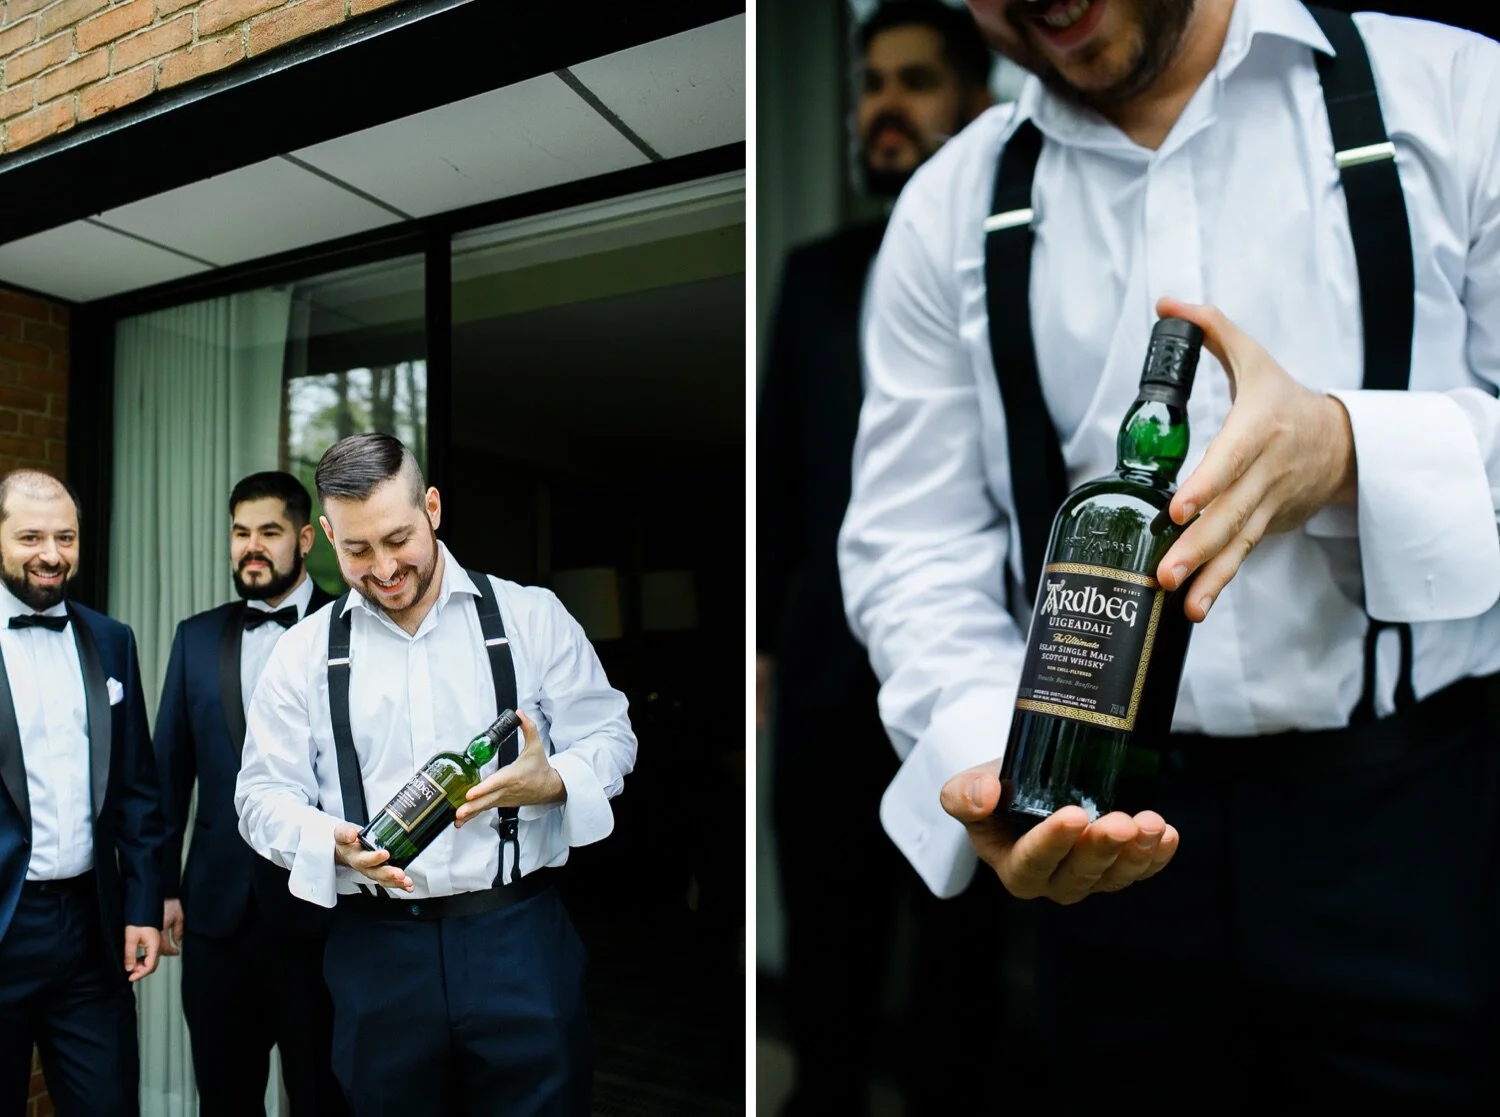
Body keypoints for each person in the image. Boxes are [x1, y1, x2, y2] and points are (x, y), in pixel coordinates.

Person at [838, 0, 1500, 1107]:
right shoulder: (948, 208)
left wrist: (1349, 450)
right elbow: (915, 543)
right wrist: (997, 775)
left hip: (1416, 830)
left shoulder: (1461, 98)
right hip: (1101, 866)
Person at [756, 3, 1008, 1113]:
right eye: (871, 84)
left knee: (965, 954)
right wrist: (763, 643)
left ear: (976, 101)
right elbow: (778, 474)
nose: (883, 106)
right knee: (828, 943)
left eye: (914, 81)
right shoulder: (815, 274)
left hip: (987, 664)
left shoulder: (1019, 260)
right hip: (822, 673)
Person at [234, 433, 637, 1117]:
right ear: (327, 535)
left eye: (399, 538)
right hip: (376, 952)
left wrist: (557, 779)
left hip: (519, 939)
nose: (385, 566)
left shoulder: (530, 617)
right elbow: (260, 795)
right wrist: (324, 835)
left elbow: (610, 734)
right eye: (358, 549)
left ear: (433, 507)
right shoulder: (303, 653)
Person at [154, 471, 346, 1117]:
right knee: (225, 1096)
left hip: (323, 914)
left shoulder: (353, 627)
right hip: (216, 920)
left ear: (305, 536)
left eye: (268, 531)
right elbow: (167, 775)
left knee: (325, 1093)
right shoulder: (195, 637)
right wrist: (162, 889)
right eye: (240, 532)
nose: (251, 546)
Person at [0, 469, 163, 1117]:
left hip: (92, 931)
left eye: (65, 536)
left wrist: (144, 902)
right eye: (30, 536)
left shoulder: (112, 640)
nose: (51, 553)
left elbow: (138, 788)